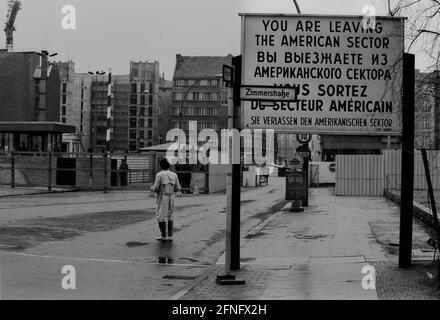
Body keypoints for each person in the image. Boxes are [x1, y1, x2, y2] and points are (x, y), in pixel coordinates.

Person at [151, 158, 181, 242]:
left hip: (162, 196)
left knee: (161, 216)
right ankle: (170, 235)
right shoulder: (174, 175)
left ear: (161, 166)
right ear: (168, 166)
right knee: (170, 215)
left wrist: (152, 188)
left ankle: (164, 235)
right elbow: (178, 188)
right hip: (172, 196)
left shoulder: (159, 175)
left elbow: (155, 187)